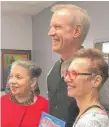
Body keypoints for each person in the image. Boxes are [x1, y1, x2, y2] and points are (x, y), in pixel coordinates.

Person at [47, 4, 90, 127]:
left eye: (57, 27)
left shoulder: (97, 72)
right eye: (51, 27)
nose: (50, 33)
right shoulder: (52, 72)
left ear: (76, 31)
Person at [63, 48, 109, 127]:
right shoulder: (88, 116)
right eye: (67, 73)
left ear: (96, 81)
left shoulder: (91, 122)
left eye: (74, 73)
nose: (66, 79)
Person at [1, 60, 48, 127]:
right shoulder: (2, 101)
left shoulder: (45, 105)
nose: (12, 81)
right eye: (11, 76)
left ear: (32, 82)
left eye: (18, 77)